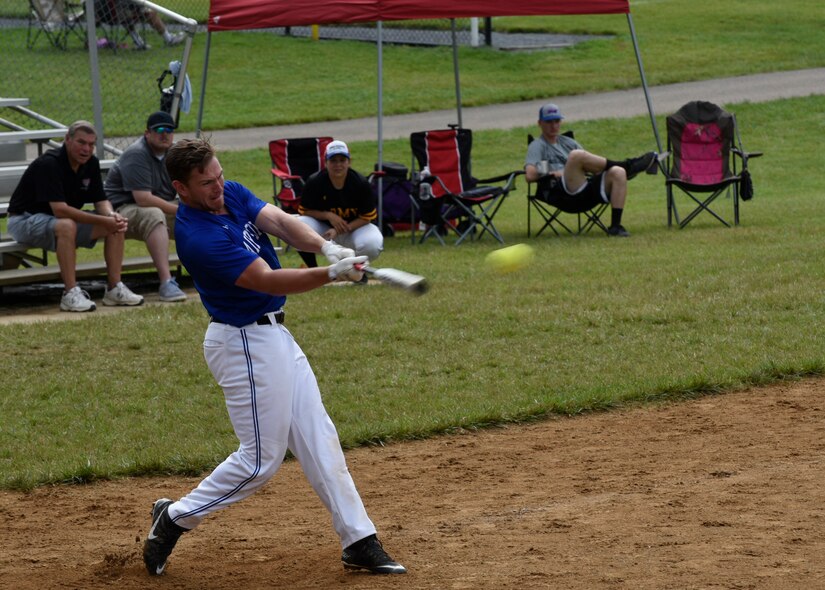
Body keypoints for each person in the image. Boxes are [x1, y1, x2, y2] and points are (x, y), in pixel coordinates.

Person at [141, 138, 406, 577]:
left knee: (319, 436)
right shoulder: (197, 236)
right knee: (260, 461)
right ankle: (173, 518)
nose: (218, 187)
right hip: (243, 343)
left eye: (220, 175)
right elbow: (267, 280)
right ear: (180, 188)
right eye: (207, 183)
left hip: (274, 336)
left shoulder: (230, 193)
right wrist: (330, 274)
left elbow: (281, 222)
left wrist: (325, 246)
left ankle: (358, 539)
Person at [7, 121, 144, 312]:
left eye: (91, 144)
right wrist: (101, 219)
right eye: (81, 142)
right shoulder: (49, 164)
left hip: (60, 221)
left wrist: (112, 216)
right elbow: (60, 210)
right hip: (23, 219)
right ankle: (70, 293)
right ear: (67, 140)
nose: (86, 149)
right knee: (67, 225)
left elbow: (101, 201)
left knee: (115, 224)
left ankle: (114, 289)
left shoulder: (91, 164)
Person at [525, 103, 658, 237]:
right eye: (549, 122)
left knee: (618, 172)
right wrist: (552, 172)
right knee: (576, 155)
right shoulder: (537, 145)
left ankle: (616, 227)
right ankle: (628, 165)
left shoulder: (567, 142)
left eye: (557, 121)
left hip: (584, 190)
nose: (554, 125)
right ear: (540, 123)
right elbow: (529, 175)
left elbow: (590, 164)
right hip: (561, 193)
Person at [104, 111, 186, 302]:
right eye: (159, 130)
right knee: (155, 214)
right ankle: (167, 282)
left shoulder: (172, 153)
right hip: (122, 209)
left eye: (169, 130)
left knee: (199, 214)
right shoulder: (137, 153)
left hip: (154, 206)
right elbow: (143, 199)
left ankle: (215, 271)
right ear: (147, 133)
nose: (164, 134)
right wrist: (180, 210)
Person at [295, 140, 383, 268]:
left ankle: (355, 270)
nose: (338, 165)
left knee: (373, 244)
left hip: (355, 230)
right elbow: (305, 211)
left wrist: (337, 229)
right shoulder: (315, 182)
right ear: (326, 162)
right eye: (333, 160)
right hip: (324, 230)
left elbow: (367, 217)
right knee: (298, 226)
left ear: (349, 162)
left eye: (342, 160)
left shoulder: (360, 183)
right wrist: (328, 215)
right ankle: (312, 268)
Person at [95, 0, 185, 50]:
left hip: (107, 17)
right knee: (150, 12)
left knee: (126, 15)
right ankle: (168, 38)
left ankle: (139, 42)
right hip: (121, 14)